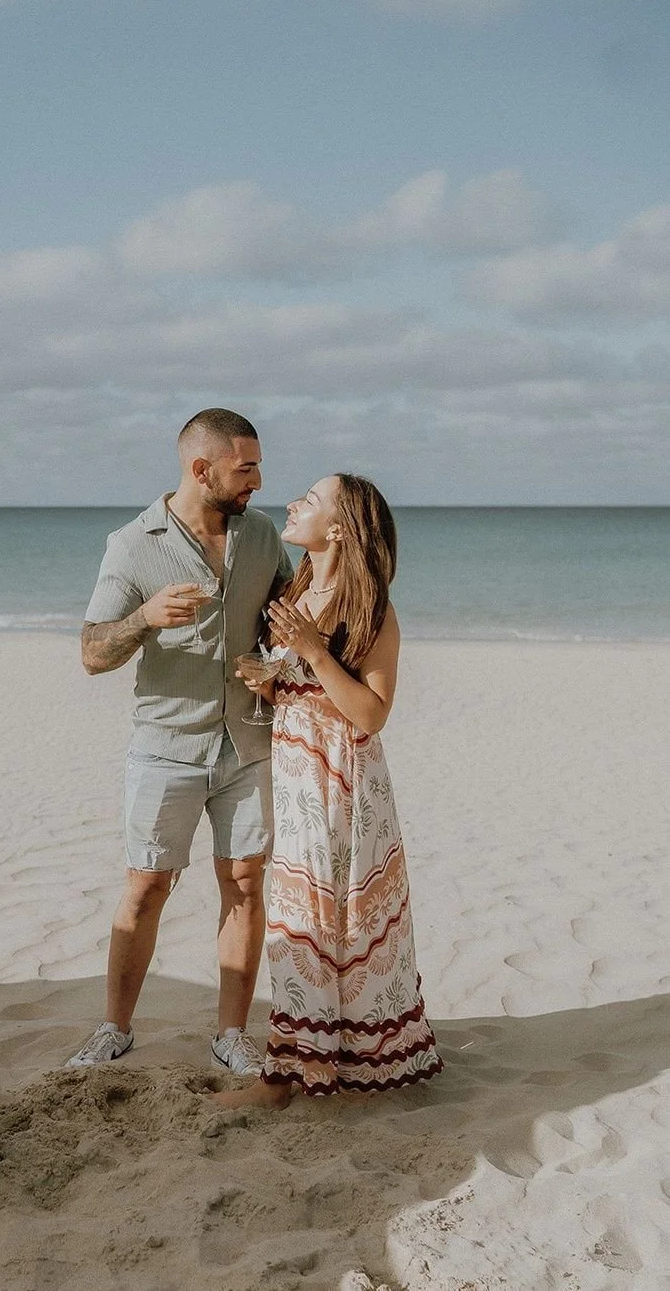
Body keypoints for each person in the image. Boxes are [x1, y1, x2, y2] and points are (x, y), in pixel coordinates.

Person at [67, 409, 293, 1074]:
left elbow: (291, 613)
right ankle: (114, 1026)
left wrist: (280, 663)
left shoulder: (260, 536)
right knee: (148, 883)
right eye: (245, 467)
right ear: (202, 469)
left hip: (249, 740)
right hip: (166, 745)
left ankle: (230, 1033)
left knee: (245, 882)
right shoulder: (133, 543)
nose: (257, 478)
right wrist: (143, 616)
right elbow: (89, 652)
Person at [215, 473, 443, 1107]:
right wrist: (267, 677)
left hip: (340, 782)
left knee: (314, 920)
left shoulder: (370, 607)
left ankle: (283, 1078)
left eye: (309, 500)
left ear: (339, 529)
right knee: (303, 918)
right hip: (293, 776)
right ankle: (310, 1062)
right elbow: (300, 691)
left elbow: (369, 714)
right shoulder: (298, 590)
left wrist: (313, 652)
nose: (292, 503)